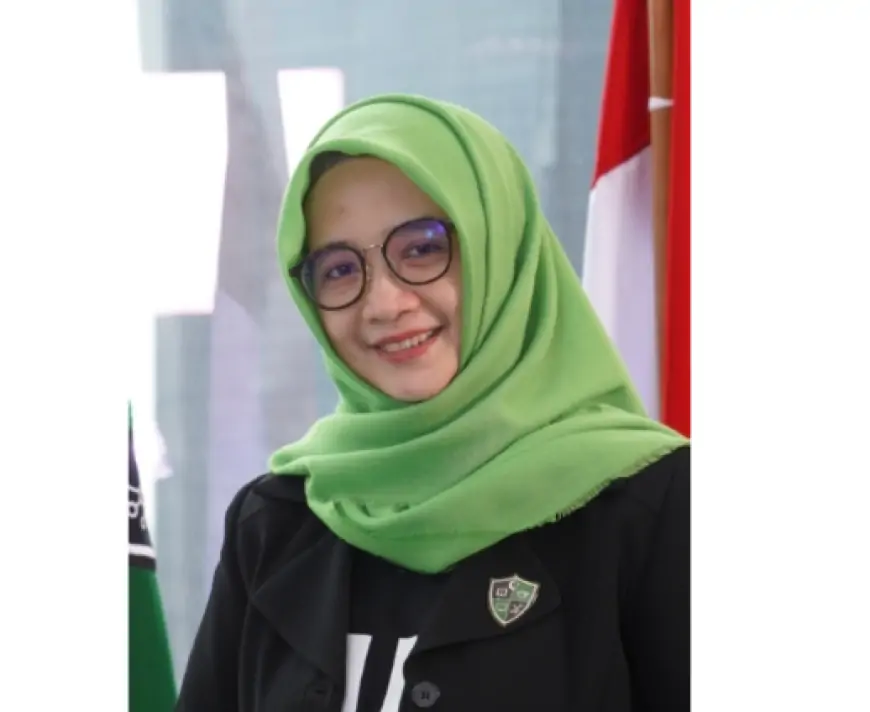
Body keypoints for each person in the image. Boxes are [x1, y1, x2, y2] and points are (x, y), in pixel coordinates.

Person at [176, 94, 689, 712]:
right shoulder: (279, 520)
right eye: (339, 269)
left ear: (500, 246)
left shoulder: (655, 506)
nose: (383, 303)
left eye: (421, 248)